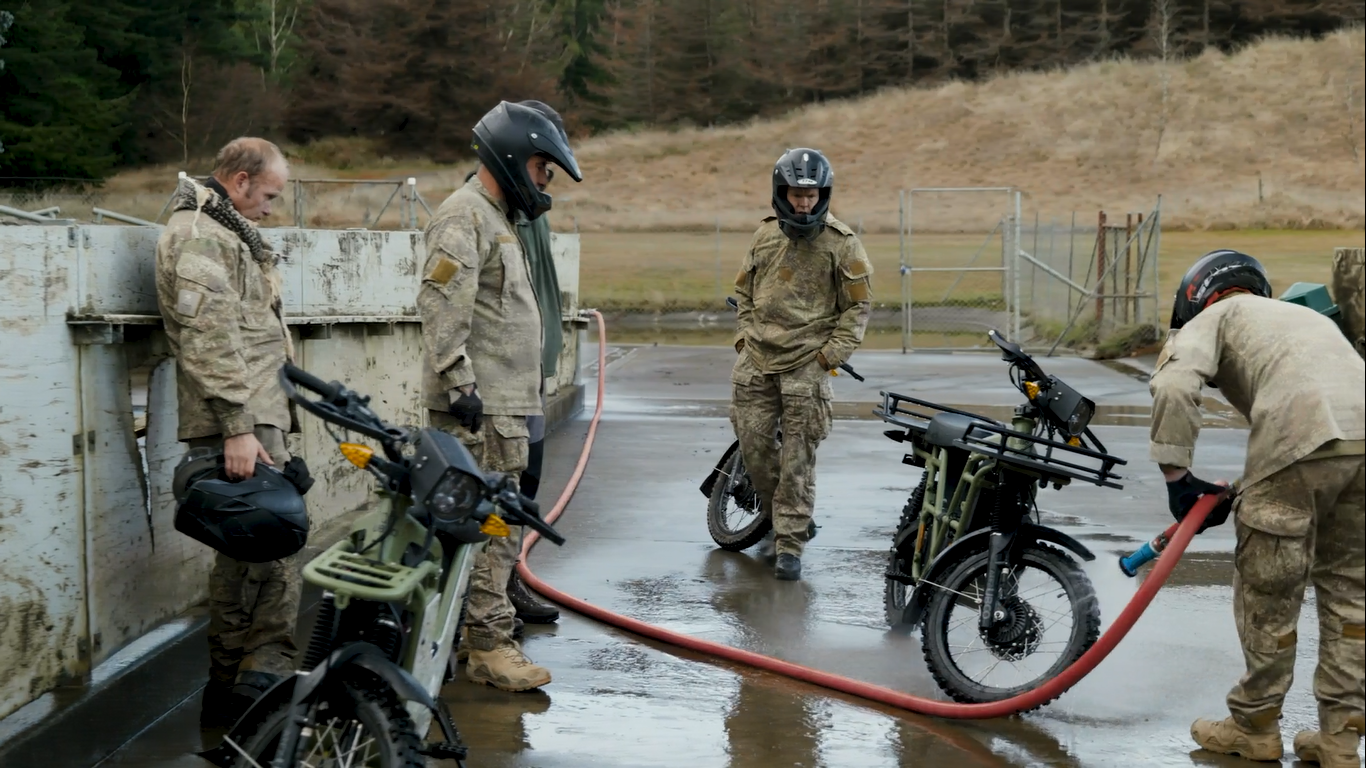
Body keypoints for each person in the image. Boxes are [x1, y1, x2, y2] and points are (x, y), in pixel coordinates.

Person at [1148, 250, 1365, 767]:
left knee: (1270, 589)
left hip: (1301, 436)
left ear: (1196, 297)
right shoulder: (1306, 319)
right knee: (1352, 598)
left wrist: (1179, 481)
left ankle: (1254, 725)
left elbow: (1175, 385)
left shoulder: (1215, 318)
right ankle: (1340, 741)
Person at [417, 101, 581, 691]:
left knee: (495, 529)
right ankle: (490, 646)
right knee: (492, 531)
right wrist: (460, 383)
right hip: (482, 411)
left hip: (508, 407)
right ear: (513, 157)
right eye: (543, 167)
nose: (545, 181)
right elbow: (440, 304)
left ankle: (475, 637)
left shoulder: (498, 218)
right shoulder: (464, 217)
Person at [153, 137, 302, 727]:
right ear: (239, 181)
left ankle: (244, 692)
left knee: (259, 562)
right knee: (262, 557)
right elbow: (208, 338)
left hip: (258, 419)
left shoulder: (224, 233)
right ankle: (250, 691)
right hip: (237, 425)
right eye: (268, 194)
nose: (271, 207)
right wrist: (239, 429)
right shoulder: (201, 237)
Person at [730, 147, 873, 581]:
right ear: (782, 192)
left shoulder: (842, 243)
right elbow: (745, 292)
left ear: (823, 194)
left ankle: (790, 541)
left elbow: (858, 309)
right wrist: (743, 336)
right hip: (757, 357)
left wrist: (829, 356)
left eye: (812, 195)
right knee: (753, 446)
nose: (805, 203)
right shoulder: (764, 235)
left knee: (797, 458)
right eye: (797, 194)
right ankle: (785, 514)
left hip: (807, 366)